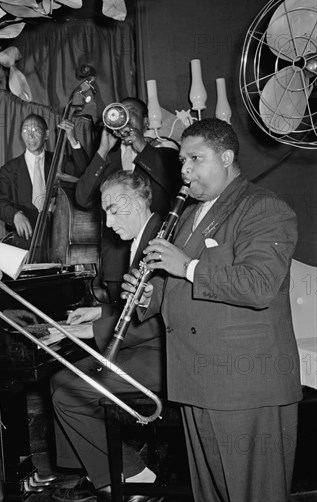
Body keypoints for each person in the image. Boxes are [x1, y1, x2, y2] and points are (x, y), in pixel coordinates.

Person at [123, 118, 302, 502]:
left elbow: (258, 285)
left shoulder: (264, 207)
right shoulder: (190, 214)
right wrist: (147, 297)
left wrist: (185, 265)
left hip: (245, 387)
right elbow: (176, 286)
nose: (184, 171)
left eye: (194, 159)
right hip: (196, 379)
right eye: (182, 162)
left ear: (226, 157)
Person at [50, 170, 166, 502]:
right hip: (142, 346)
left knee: (68, 393)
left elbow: (160, 317)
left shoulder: (160, 239)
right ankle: (94, 472)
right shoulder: (143, 238)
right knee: (59, 380)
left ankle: (137, 476)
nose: (109, 223)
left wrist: (88, 330)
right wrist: (99, 313)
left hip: (160, 354)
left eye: (112, 211)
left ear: (132, 202)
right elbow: (137, 306)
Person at [76, 98, 182, 304]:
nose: (124, 118)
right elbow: (82, 198)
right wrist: (103, 150)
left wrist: (141, 145)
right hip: (116, 261)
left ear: (146, 121)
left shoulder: (163, 150)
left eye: (131, 112)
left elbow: (175, 184)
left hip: (155, 253)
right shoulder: (107, 157)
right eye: (120, 112)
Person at [0, 114, 88, 253]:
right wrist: (15, 215)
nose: (30, 136)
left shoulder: (60, 162)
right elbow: (0, 203)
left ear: (46, 134)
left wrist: (72, 139)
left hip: (60, 236)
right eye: (25, 131)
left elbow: (85, 173)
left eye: (35, 130)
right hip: (27, 241)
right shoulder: (9, 169)